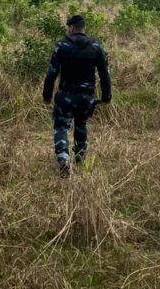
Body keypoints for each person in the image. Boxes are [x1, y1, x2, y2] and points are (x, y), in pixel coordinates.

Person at [42, 13, 111, 177]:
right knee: (81, 125)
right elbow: (104, 74)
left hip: (65, 95)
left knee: (61, 126)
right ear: (84, 28)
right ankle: (80, 159)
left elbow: (52, 73)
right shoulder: (96, 46)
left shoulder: (62, 45)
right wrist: (106, 96)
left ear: (72, 28)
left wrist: (47, 95)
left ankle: (63, 157)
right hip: (86, 97)